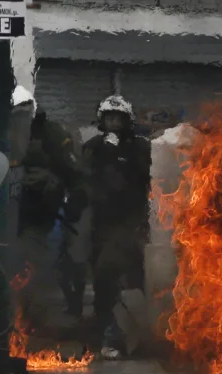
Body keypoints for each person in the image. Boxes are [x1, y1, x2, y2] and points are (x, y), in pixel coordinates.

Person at [9, 85, 88, 332]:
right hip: (0, 213)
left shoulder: (49, 134)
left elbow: (74, 174)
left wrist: (70, 196)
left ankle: (30, 322)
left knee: (31, 266)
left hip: (36, 213)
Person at [82, 95, 151, 360]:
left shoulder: (139, 147)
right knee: (103, 281)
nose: (113, 123)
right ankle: (104, 336)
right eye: (108, 118)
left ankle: (131, 336)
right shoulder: (94, 147)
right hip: (101, 224)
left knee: (131, 281)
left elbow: (143, 177)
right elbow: (87, 178)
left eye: (117, 118)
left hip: (130, 223)